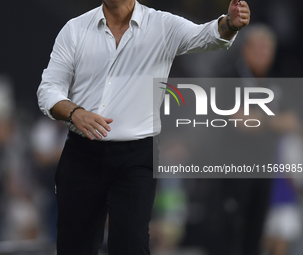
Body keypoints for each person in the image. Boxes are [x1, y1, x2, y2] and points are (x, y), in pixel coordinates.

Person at [37, 0, 251, 254]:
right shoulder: (75, 29)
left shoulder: (161, 25)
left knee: (131, 245)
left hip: (135, 158)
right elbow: (48, 89)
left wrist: (230, 23)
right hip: (82, 154)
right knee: (74, 246)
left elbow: (207, 36)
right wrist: (75, 113)